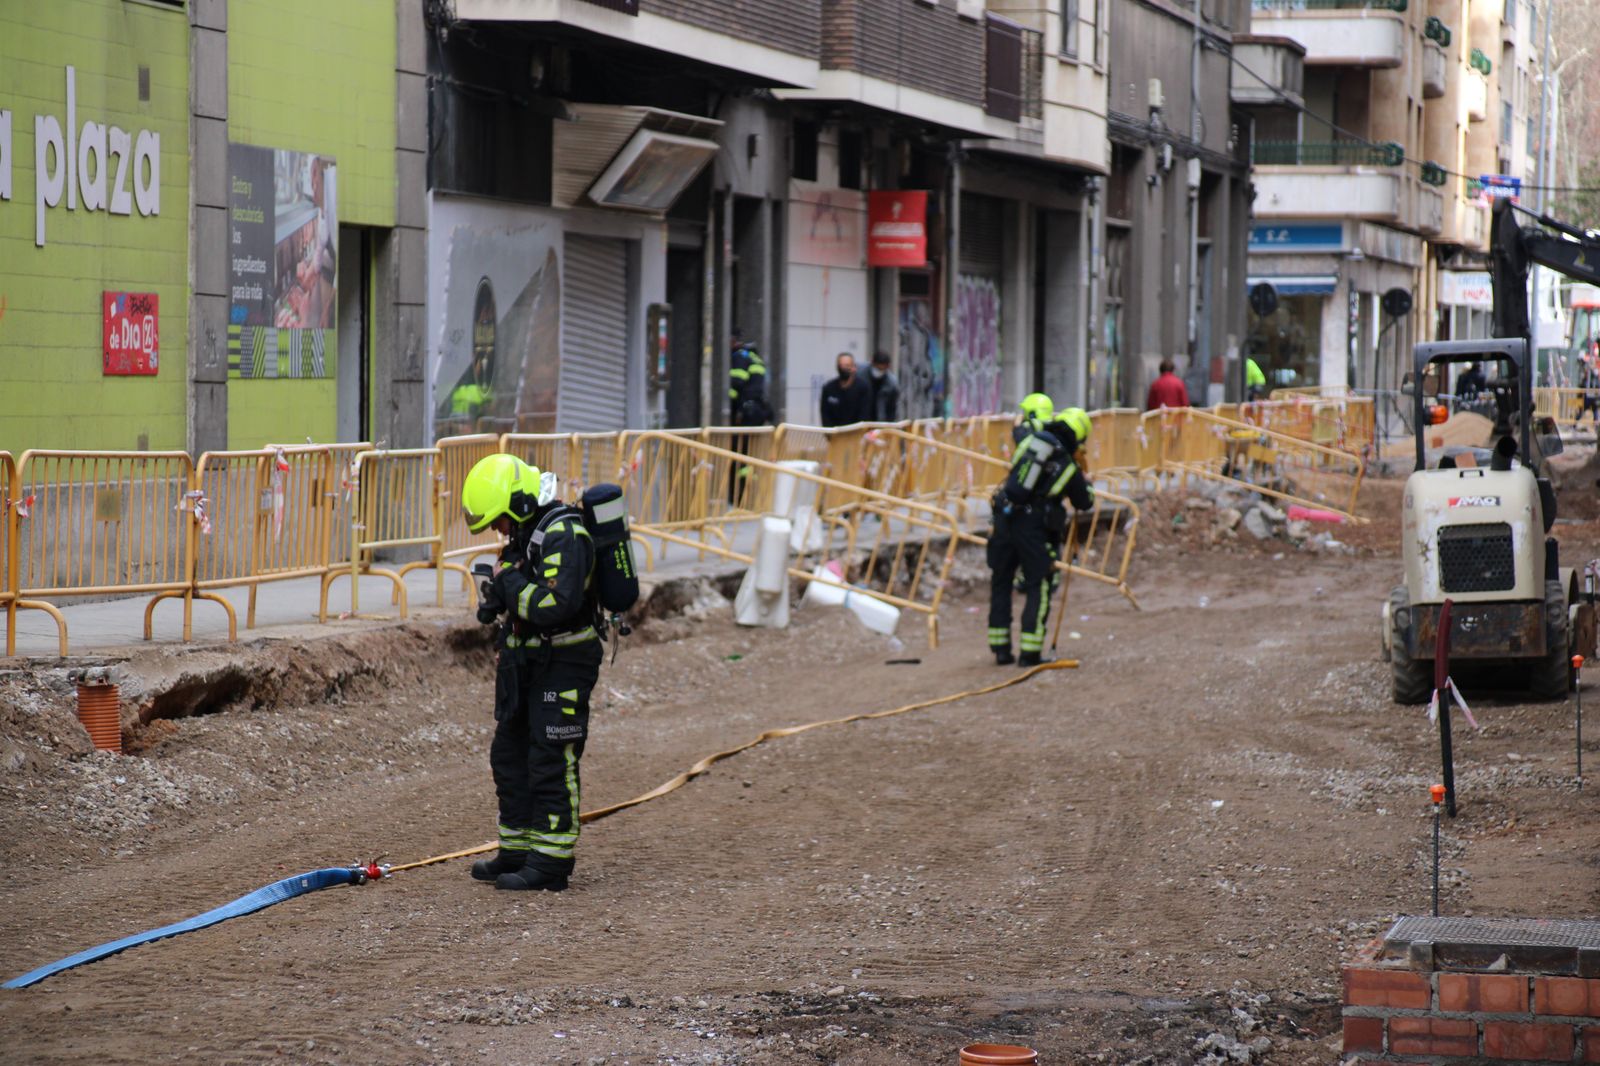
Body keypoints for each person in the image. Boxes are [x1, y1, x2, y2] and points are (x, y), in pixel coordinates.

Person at [461, 454, 602, 893]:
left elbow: (552, 606)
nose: (498, 530)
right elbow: (521, 590)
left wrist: (510, 586)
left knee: (550, 759)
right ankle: (518, 850)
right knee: (509, 755)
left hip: (564, 661)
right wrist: (498, 595)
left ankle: (551, 862)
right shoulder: (527, 534)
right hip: (527, 664)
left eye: (500, 520)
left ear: (519, 502)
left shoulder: (565, 532)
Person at [989, 401, 1095, 668]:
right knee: (1040, 584)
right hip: (1033, 528)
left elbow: (1014, 468)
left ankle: (1001, 649)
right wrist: (1087, 482)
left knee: (1001, 581)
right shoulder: (1068, 466)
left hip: (1004, 517)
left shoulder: (1032, 441)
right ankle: (1030, 652)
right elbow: (1084, 501)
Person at [820, 352, 875, 427]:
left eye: (847, 365)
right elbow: (825, 415)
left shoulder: (863, 388)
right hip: (835, 434)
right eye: (841, 365)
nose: (844, 368)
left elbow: (865, 415)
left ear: (854, 368)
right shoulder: (828, 388)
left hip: (856, 433)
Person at [729, 334, 772, 427]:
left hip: (745, 406)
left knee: (740, 437)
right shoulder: (757, 359)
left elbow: (737, 381)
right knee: (752, 439)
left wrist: (729, 401)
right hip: (757, 406)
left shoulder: (740, 356)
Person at [867, 350, 902, 422]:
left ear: (887, 366)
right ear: (872, 362)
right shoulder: (860, 373)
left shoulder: (892, 383)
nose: (879, 372)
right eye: (877, 368)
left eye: (882, 369)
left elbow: (893, 408)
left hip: (880, 421)